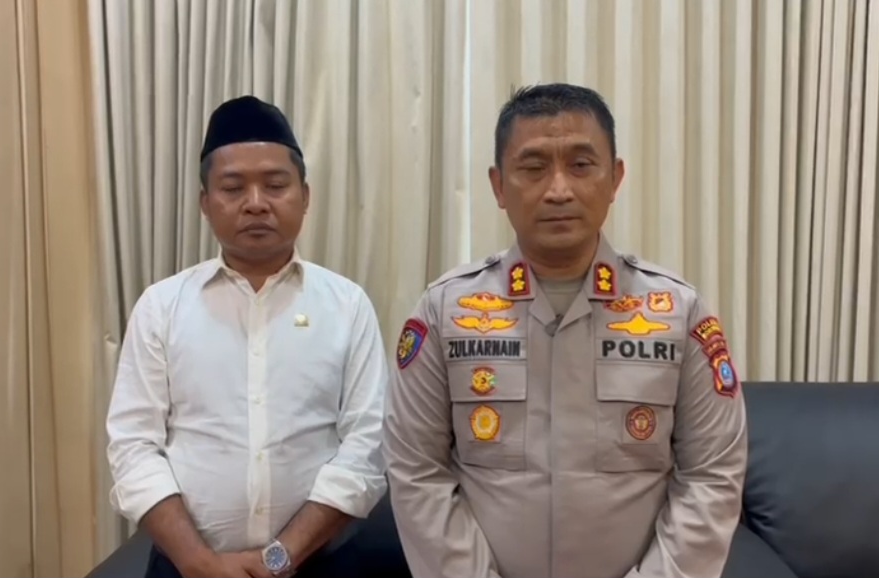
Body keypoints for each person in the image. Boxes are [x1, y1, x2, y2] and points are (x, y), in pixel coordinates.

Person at [384, 83, 748, 578]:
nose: (559, 190)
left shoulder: (678, 313)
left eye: (581, 165)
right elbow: (416, 471)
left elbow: (713, 474)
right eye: (534, 168)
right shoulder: (444, 311)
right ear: (498, 186)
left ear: (615, 178)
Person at [106, 95, 389, 578]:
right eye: (233, 187)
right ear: (205, 203)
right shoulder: (162, 306)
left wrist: (281, 557)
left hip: (320, 564)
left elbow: (368, 445)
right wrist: (199, 563)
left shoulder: (346, 305)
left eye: (275, 185)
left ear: (304, 195)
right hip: (186, 568)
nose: (256, 203)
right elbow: (133, 446)